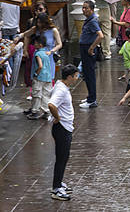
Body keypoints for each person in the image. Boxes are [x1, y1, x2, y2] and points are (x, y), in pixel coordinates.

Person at [47, 64, 80, 200]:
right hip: (62, 128)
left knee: (63, 157)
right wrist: (58, 118)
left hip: (64, 127)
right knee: (61, 158)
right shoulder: (61, 90)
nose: (77, 78)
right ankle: (56, 189)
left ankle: (59, 183)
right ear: (69, 77)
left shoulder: (61, 86)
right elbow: (51, 105)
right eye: (76, 76)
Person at [77, 0, 104, 108]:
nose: (84, 10)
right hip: (84, 48)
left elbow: (101, 36)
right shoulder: (89, 20)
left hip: (88, 49)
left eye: (86, 8)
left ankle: (92, 100)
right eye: (83, 7)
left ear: (91, 10)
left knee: (90, 74)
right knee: (87, 74)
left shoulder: (93, 21)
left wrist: (91, 48)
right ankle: (90, 97)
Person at [27, 34, 54, 120]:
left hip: (39, 78)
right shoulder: (46, 53)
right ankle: (47, 112)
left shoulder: (38, 54)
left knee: (37, 95)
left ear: (40, 45)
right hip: (48, 77)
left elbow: (40, 66)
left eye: (35, 43)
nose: (34, 45)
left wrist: (36, 73)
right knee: (46, 95)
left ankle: (35, 111)